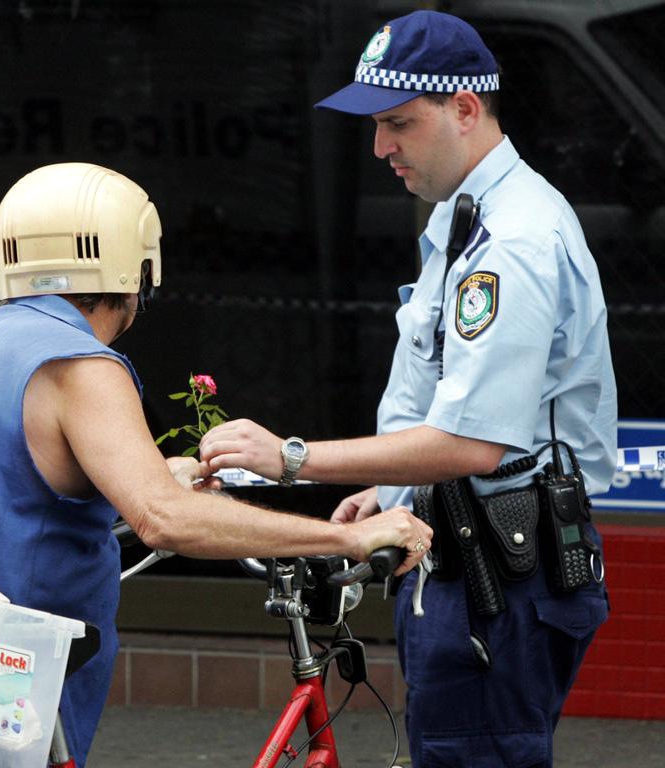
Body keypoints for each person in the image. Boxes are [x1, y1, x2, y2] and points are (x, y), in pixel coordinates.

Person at [0, 162, 432, 767]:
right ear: (135, 273)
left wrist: (156, 471)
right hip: (0, 690)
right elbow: (163, 520)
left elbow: (14, 487)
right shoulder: (81, 365)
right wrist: (345, 537)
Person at [200, 11, 614, 767]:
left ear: (464, 108)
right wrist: (393, 489)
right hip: (477, 556)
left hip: (502, 570)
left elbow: (473, 441)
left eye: (398, 123)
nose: (380, 147)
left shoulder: (512, 240)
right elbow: (445, 399)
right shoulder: (471, 217)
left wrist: (290, 457)